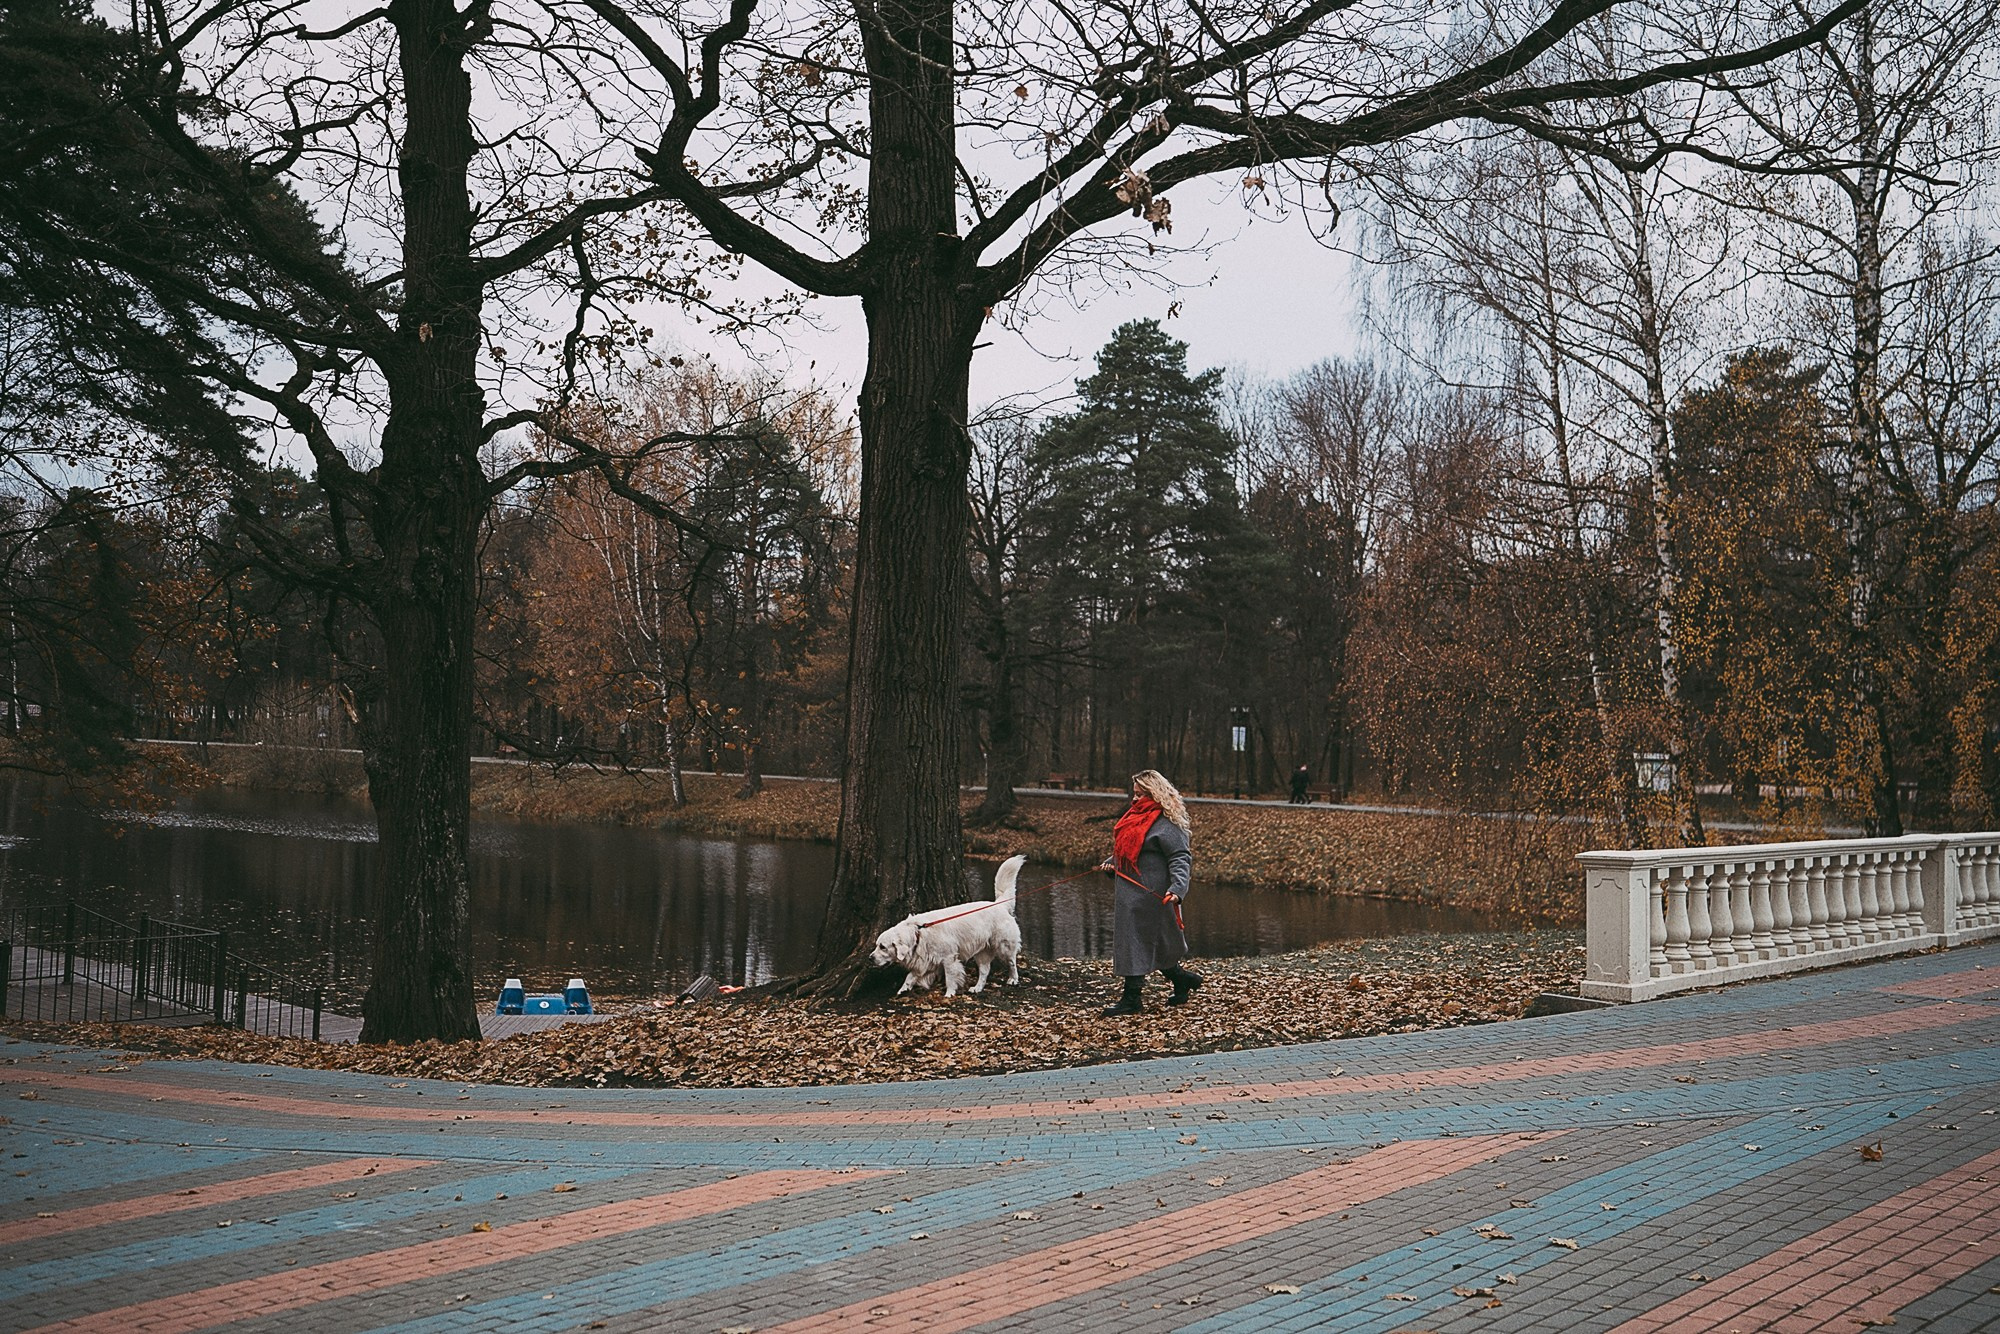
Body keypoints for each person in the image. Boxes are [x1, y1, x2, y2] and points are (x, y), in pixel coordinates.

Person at [1098, 769, 1200, 1015]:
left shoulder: (1167, 825)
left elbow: (1180, 858)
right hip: (1129, 896)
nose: (1134, 800)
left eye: (1141, 795)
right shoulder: (1133, 818)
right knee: (1143, 945)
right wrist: (1112, 863)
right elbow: (1127, 851)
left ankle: (1132, 999)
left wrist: (1178, 889)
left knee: (1146, 945)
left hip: (1155, 896)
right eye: (1134, 794)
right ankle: (1182, 980)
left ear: (1155, 795)